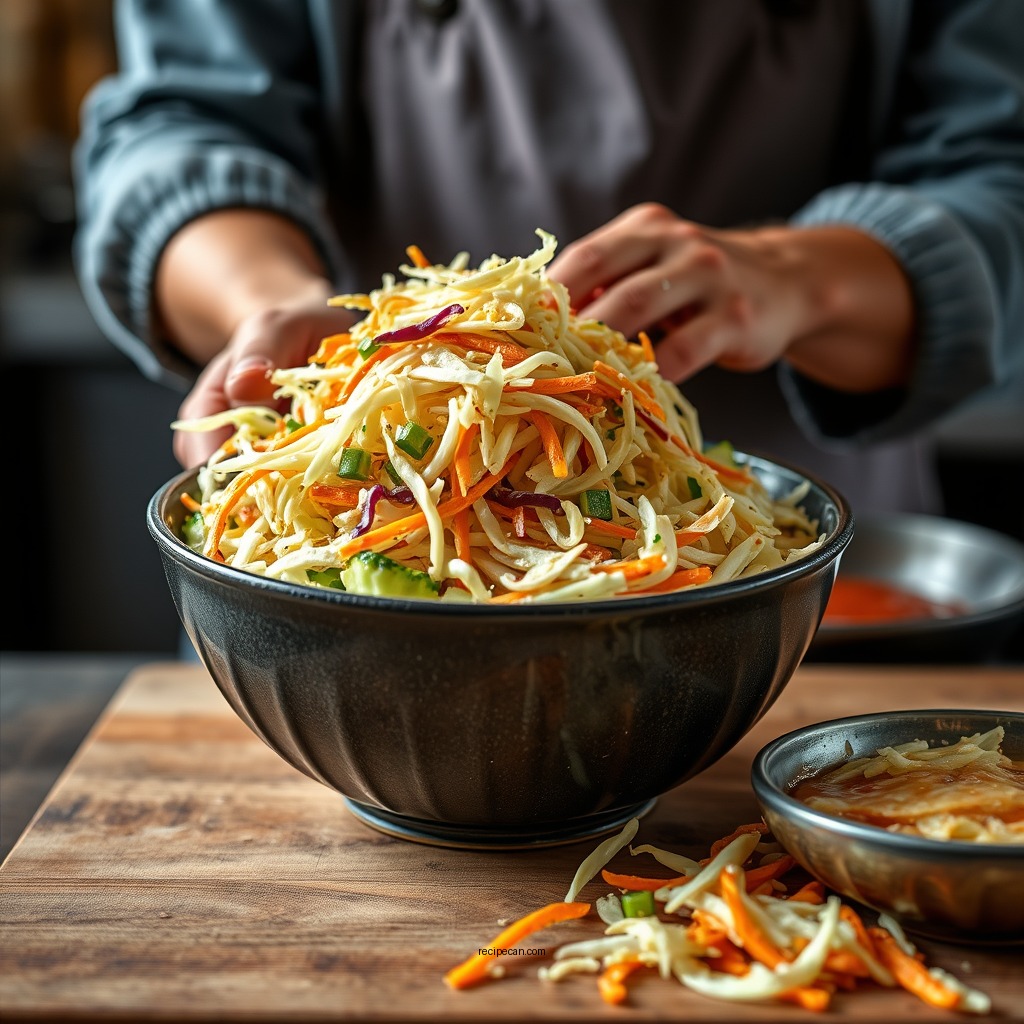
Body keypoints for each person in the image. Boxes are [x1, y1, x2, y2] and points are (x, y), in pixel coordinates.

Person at [74, 0, 1024, 517]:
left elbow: (1001, 170)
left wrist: (797, 275)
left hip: (816, 585)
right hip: (372, 552)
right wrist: (281, 309)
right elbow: (180, 125)